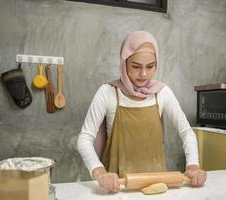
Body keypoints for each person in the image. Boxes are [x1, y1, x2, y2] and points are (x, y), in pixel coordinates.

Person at [77, 31, 207, 193]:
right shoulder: (108, 92)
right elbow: (84, 138)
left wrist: (193, 166)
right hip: (117, 187)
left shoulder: (162, 93)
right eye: (136, 66)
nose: (144, 74)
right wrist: (100, 172)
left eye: (150, 66)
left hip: (157, 185)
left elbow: (187, 132)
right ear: (124, 63)